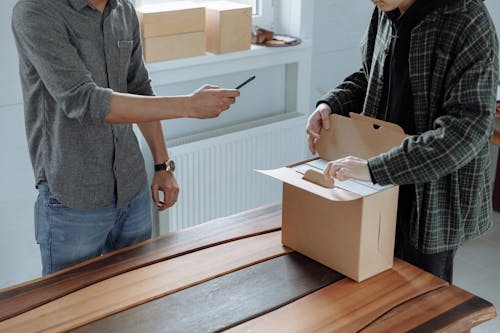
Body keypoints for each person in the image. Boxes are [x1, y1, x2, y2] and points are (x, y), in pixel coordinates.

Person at [12, 0, 240, 275]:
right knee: (73, 308)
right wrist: (188, 106)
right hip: (73, 197)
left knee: (136, 296)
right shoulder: (36, 10)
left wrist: (162, 165)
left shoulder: (124, 10)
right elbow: (83, 99)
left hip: (132, 190)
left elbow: (139, 87)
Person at [306, 0, 498, 283]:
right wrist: (330, 104)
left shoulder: (467, 19)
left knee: (423, 309)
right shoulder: (386, 9)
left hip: (431, 197)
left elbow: (465, 130)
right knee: (367, 295)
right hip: (375, 184)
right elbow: (369, 75)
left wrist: (374, 169)